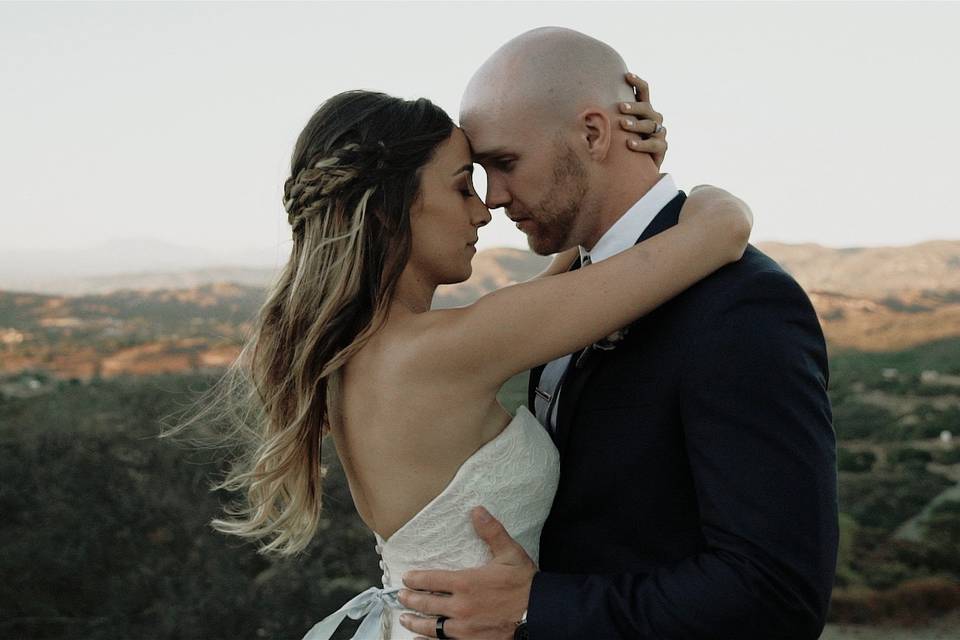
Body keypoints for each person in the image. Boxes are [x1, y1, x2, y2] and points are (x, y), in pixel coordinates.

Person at [395, 27, 838, 640]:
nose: (493, 198)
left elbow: (776, 594)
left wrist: (535, 610)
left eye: (506, 163)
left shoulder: (740, 305)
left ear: (595, 134)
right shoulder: (571, 289)